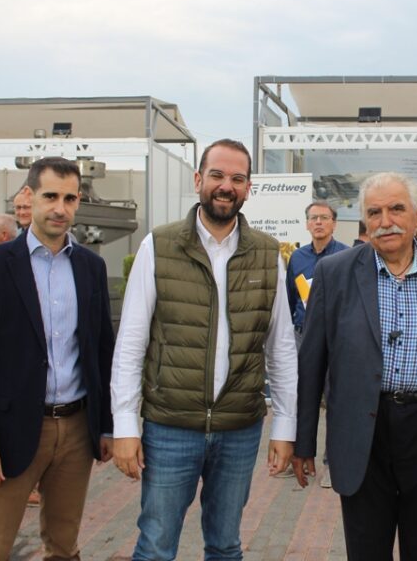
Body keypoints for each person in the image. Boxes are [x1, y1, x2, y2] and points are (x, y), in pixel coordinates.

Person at [110, 138, 297, 560]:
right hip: (170, 426)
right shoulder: (158, 246)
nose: (226, 186)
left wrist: (285, 428)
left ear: (248, 188)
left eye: (237, 178)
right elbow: (131, 343)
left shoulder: (268, 255)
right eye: (217, 175)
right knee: (155, 546)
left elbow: (282, 348)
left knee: (226, 545)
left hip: (239, 429)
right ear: (198, 180)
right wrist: (125, 426)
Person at [293, 172, 417, 560]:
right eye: (374, 212)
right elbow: (311, 362)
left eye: (396, 209)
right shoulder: (334, 273)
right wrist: (303, 441)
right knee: (366, 550)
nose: (385, 221)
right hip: (361, 432)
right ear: (364, 220)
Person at [0, 156, 115, 560]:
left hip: (76, 428)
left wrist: (106, 425)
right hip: (11, 430)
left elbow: (101, 349)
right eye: (50, 196)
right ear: (29, 196)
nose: (60, 208)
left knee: (64, 545)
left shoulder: (91, 267)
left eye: (70, 198)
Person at [285, 199, 349, 485]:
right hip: (303, 336)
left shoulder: (346, 256)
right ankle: (299, 454)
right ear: (307, 224)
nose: (319, 222)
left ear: (334, 223)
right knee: (301, 398)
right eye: (314, 218)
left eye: (324, 218)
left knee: (335, 399)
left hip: (336, 339)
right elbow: (290, 299)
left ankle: (332, 462)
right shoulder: (297, 258)